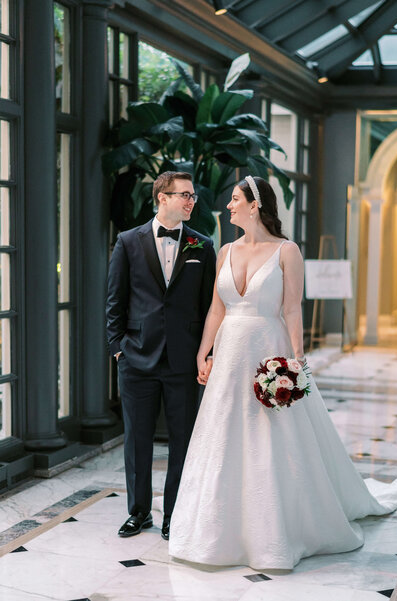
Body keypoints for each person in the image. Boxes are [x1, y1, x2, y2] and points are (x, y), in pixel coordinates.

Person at [169, 175, 397, 570]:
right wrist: (203, 353)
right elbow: (217, 309)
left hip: (267, 350)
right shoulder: (224, 251)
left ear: (255, 205)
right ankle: (215, 530)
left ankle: (275, 530)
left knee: (272, 436)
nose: (229, 206)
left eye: (235, 200)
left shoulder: (287, 251)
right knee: (222, 433)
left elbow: (292, 309)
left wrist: (296, 360)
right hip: (228, 356)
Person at [106, 171, 216, 542]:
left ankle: (175, 515)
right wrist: (118, 349)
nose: (190, 201)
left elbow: (210, 308)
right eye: (184, 195)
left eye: (192, 196)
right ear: (162, 198)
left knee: (182, 443)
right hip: (136, 359)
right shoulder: (127, 242)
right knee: (137, 441)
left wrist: (206, 355)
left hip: (184, 363)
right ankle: (139, 513)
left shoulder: (203, 245)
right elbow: (114, 302)